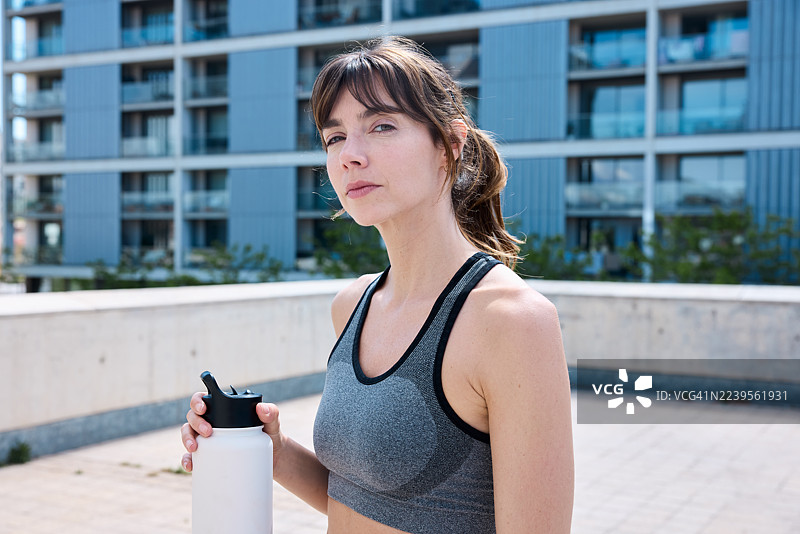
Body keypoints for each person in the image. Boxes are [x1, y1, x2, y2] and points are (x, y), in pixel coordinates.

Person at [182, 36, 574, 533]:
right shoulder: (353, 304)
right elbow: (363, 498)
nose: (351, 155)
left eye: (381, 126)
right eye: (335, 137)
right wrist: (269, 449)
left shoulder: (512, 320)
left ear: (450, 145)